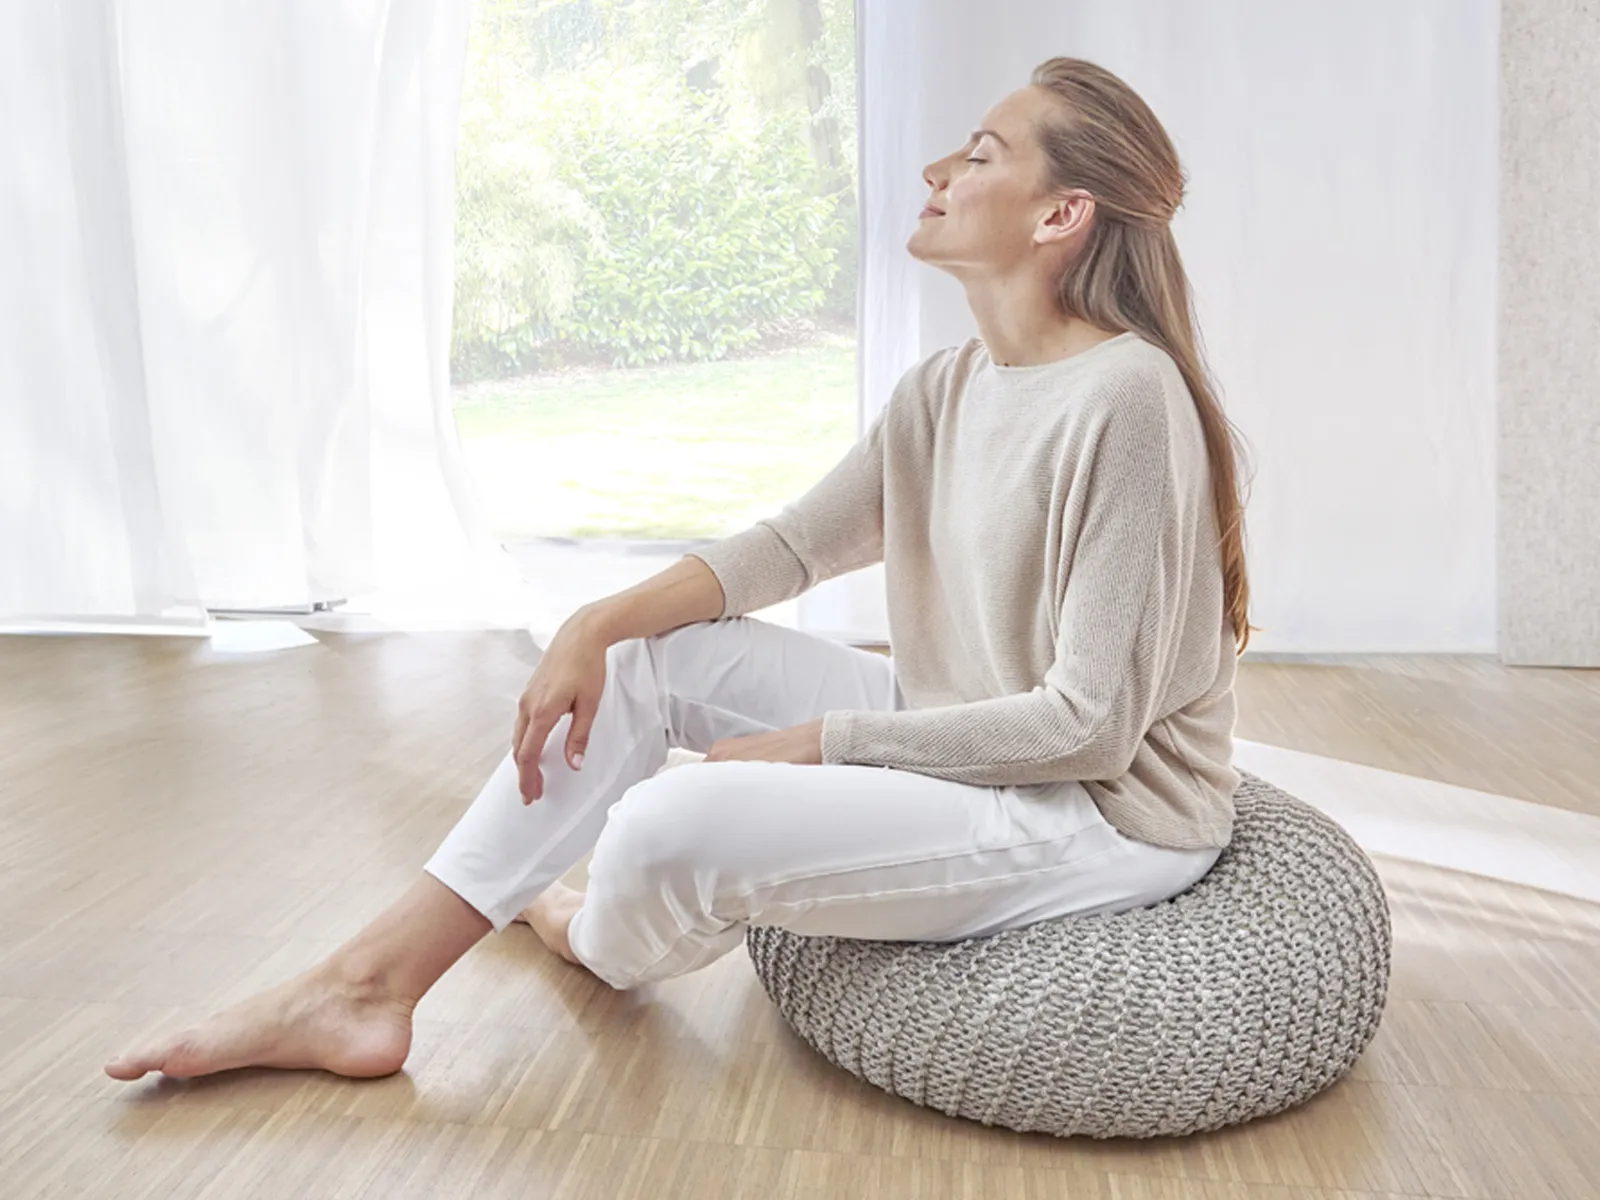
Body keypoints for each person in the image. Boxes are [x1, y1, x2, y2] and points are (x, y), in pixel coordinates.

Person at [105, 56, 1251, 1084]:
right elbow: (791, 550)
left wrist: (820, 745)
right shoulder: (948, 387)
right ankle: (366, 986)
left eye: (981, 154)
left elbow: (1091, 728)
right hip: (967, 729)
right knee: (649, 657)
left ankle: (580, 933)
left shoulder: (1127, 398)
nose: (938, 166)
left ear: (1061, 212)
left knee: (666, 820)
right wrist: (594, 623)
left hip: (1098, 814)